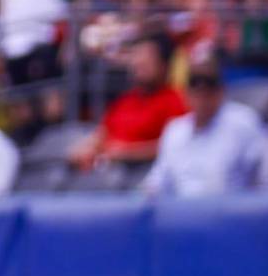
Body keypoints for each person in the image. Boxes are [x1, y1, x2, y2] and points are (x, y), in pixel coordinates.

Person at [71, 34, 188, 177]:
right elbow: (103, 132)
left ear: (164, 65)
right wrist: (88, 147)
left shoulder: (176, 101)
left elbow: (176, 146)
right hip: (106, 171)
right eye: (136, 58)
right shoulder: (126, 100)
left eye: (146, 59)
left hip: (141, 175)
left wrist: (128, 153)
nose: (138, 63)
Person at [142, 62, 263, 197]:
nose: (202, 100)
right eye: (196, 92)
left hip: (230, 211)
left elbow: (262, 174)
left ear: (221, 92)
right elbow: (158, 181)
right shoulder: (175, 130)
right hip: (182, 212)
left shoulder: (243, 121)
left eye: (208, 92)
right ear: (186, 95)